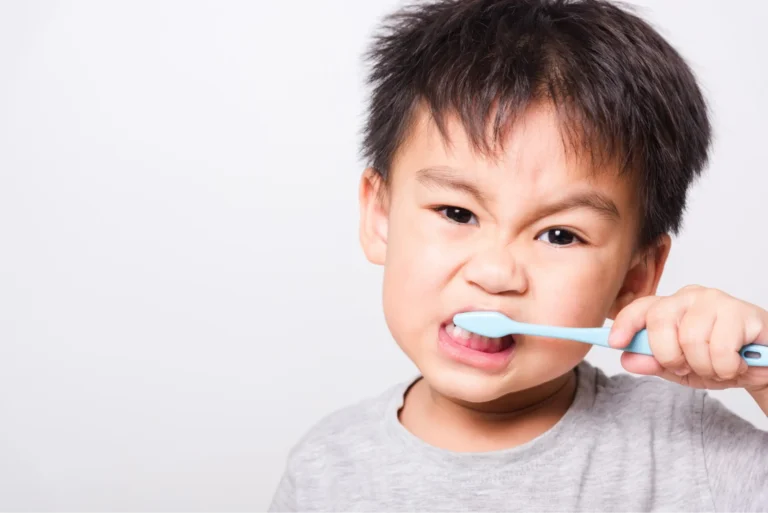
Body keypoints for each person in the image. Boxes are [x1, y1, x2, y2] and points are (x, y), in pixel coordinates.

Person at [269, 0, 768, 510]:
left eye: (559, 236)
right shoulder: (326, 470)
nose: (495, 273)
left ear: (632, 278)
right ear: (381, 217)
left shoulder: (690, 447)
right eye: (457, 213)